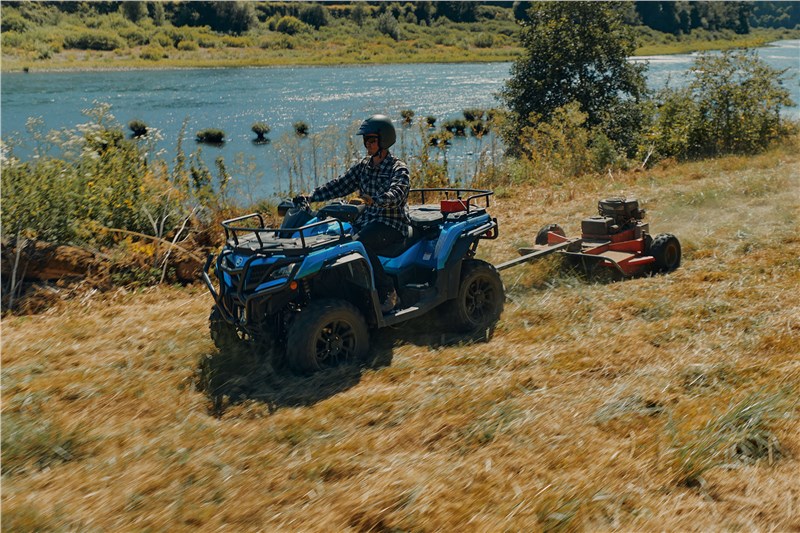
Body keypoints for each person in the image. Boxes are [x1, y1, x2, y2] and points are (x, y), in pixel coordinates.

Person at [294, 114, 411, 313]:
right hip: (366, 221)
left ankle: (388, 292)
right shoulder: (363, 167)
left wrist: (378, 200)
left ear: (384, 140)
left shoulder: (397, 168)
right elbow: (340, 185)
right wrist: (312, 196)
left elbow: (398, 192)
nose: (368, 144)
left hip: (391, 223)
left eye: (372, 139)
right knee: (334, 240)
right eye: (366, 140)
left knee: (359, 244)